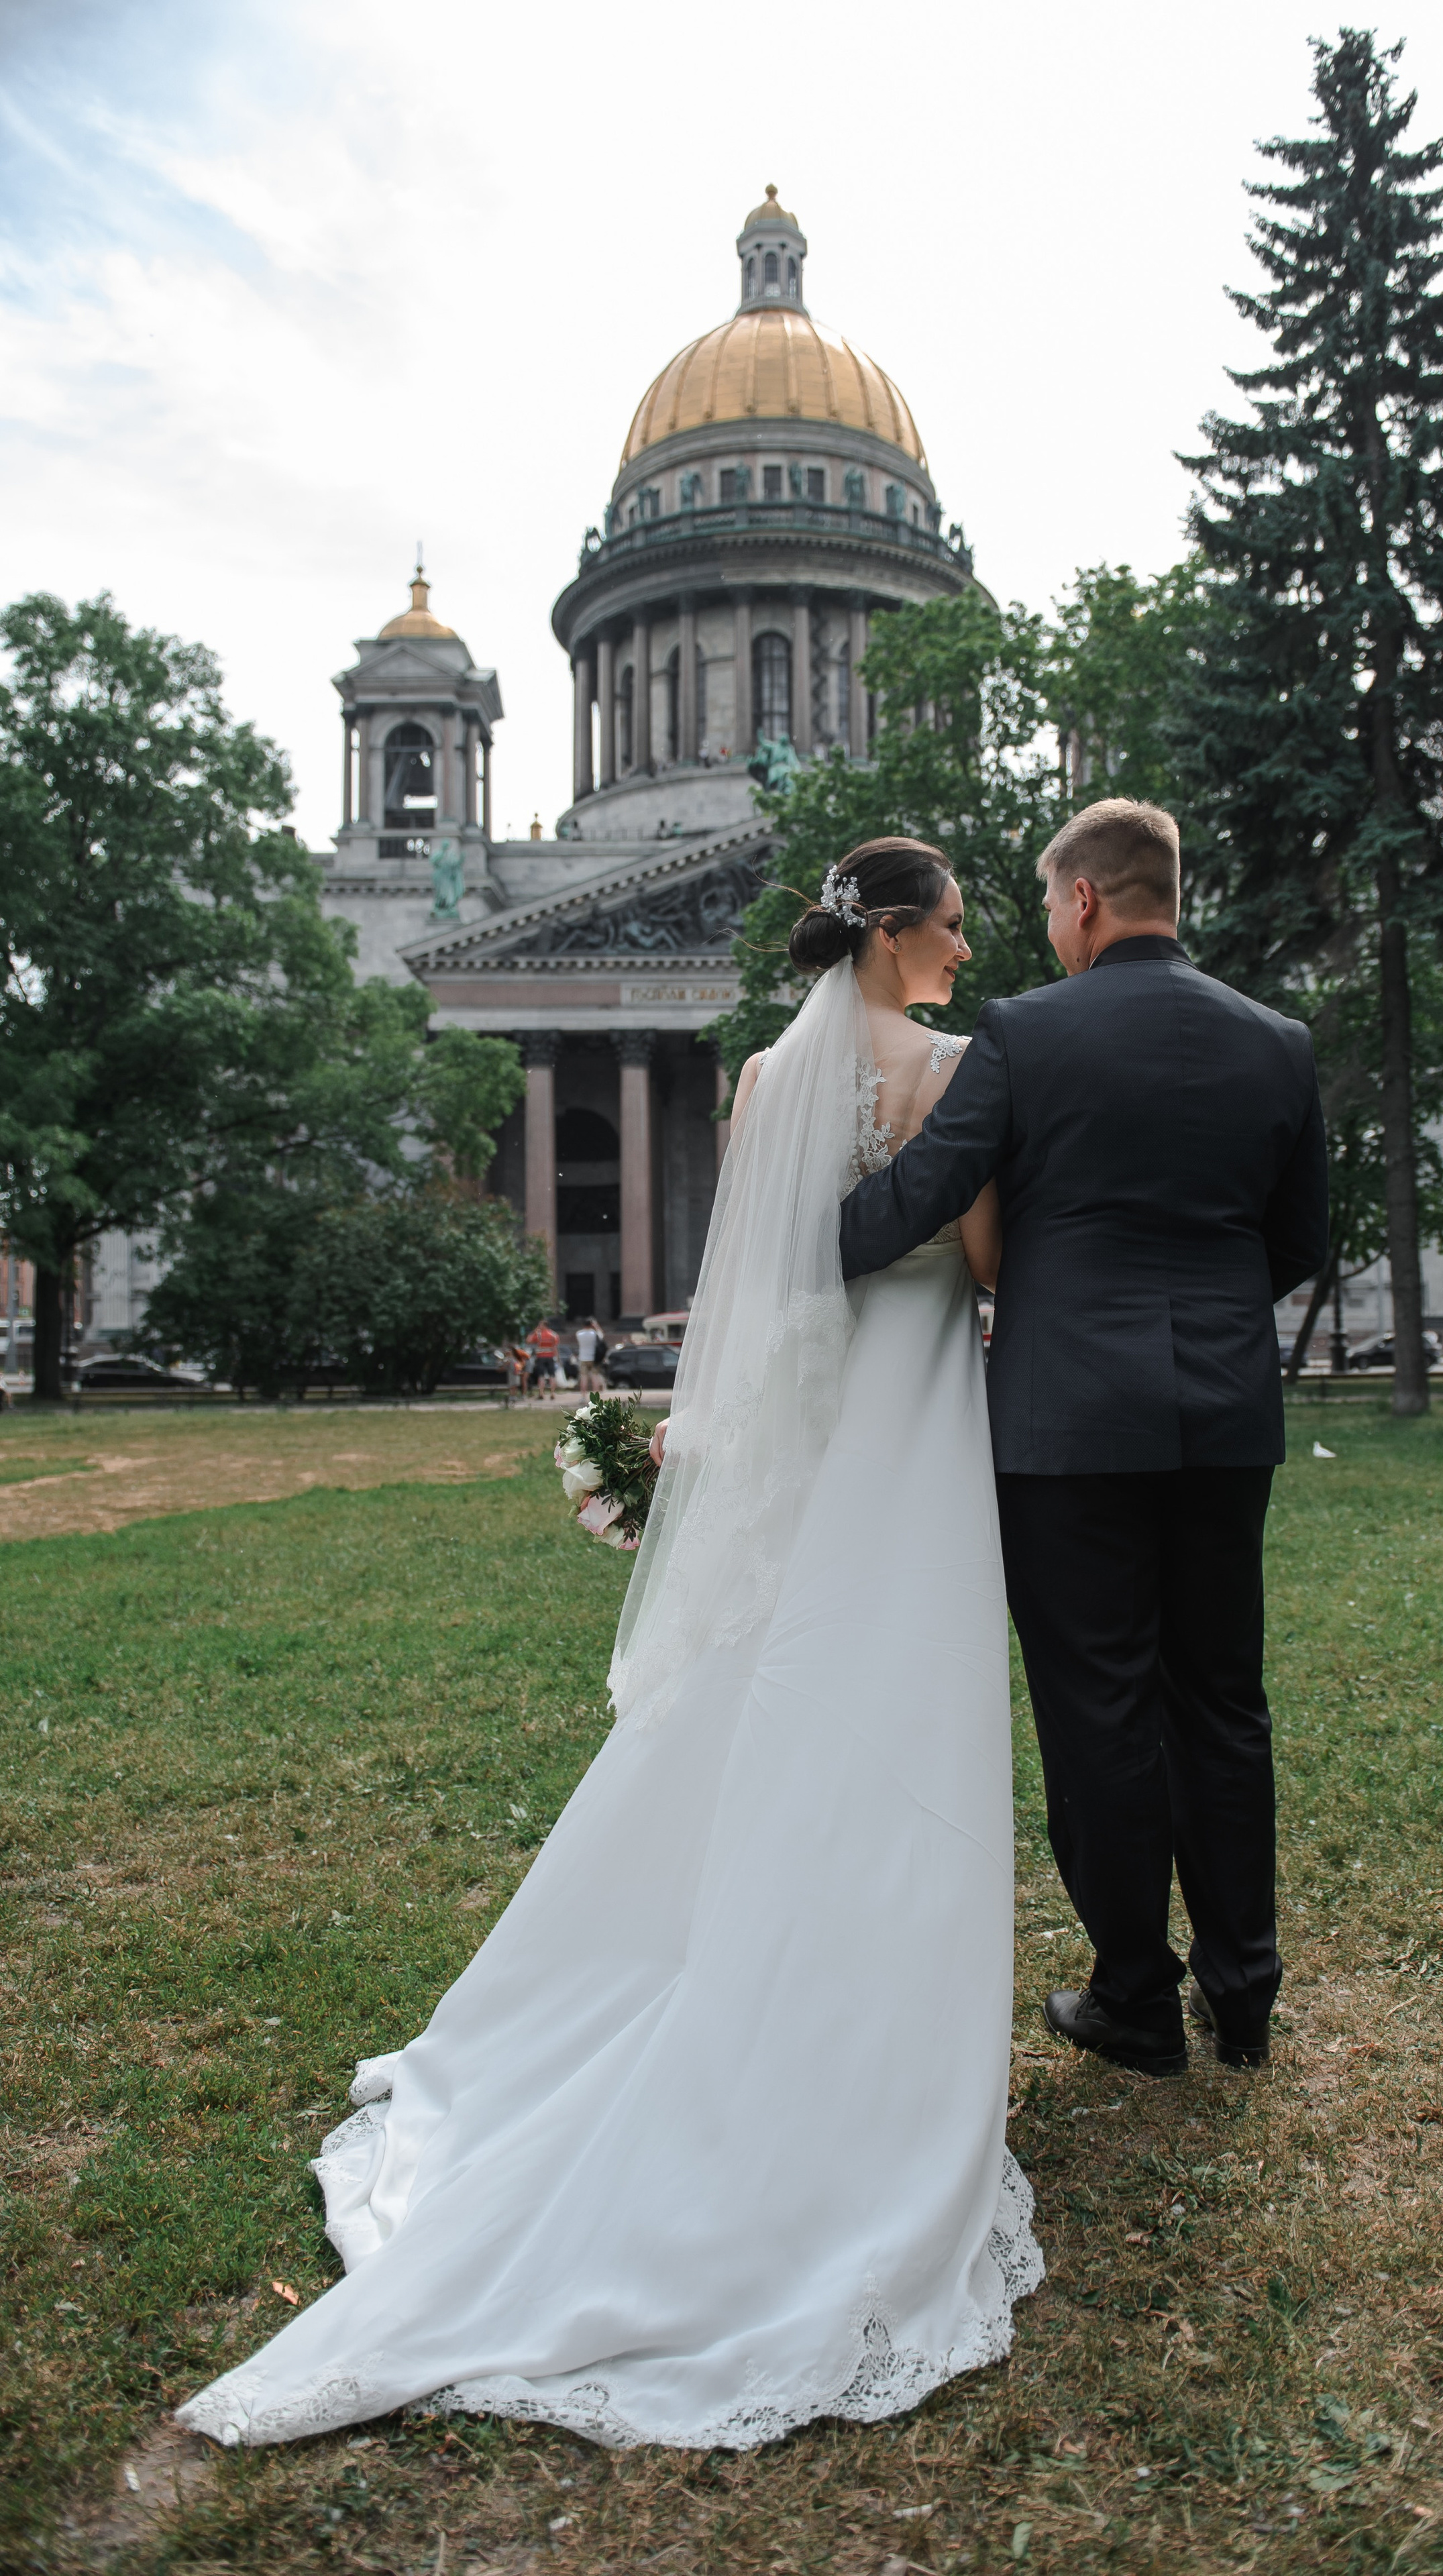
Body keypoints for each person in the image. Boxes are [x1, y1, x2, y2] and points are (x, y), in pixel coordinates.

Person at [178, 838, 1040, 2453]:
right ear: (900, 933)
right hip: (916, 1411)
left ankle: (732, 1968)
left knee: (781, 1686)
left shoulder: (768, 1074)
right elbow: (981, 1259)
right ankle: (860, 2037)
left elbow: (761, 1275)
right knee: (901, 1697)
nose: (964, 944)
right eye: (950, 923)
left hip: (819, 1419)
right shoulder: (959, 1071)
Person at [840, 798, 1328, 2079]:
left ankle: (1135, 2000)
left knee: (1099, 1708)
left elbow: (928, 1189)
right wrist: (1209, 1318)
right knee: (1223, 1701)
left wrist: (788, 1247)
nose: (1049, 929)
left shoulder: (1025, 1033)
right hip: (1225, 1414)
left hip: (1066, 1424)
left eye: (1052, 906)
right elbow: (1298, 1241)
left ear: (1087, 902)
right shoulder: (1277, 1043)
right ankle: (1246, 1995)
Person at [526, 1318, 561, 1395]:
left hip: (541, 1357)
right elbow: (555, 1347)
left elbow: (528, 1341)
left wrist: (534, 1332)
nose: (539, 1326)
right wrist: (557, 1358)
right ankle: (552, 1393)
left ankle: (541, 1393)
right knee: (552, 1375)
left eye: (540, 1325)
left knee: (541, 1375)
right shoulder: (553, 1335)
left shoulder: (538, 1334)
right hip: (550, 1357)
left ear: (544, 1325)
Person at [574, 1316, 606, 1393]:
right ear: (591, 1325)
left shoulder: (579, 1334)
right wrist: (596, 1326)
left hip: (583, 1358)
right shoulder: (594, 1334)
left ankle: (583, 1395)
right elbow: (602, 1335)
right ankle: (596, 1395)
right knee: (595, 1377)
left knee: (584, 1377)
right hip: (594, 1358)